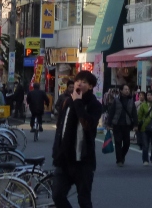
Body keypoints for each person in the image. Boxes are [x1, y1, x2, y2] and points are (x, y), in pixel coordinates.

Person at [52, 70, 102, 208]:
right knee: (57, 195)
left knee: (84, 200)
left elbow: (88, 125)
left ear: (91, 86)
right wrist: (56, 151)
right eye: (77, 81)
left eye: (84, 82)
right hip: (64, 160)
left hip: (83, 160)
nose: (79, 83)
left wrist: (78, 102)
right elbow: (60, 129)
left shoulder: (95, 105)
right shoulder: (67, 102)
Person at [106, 84, 137, 167]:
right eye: (125, 89)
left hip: (127, 125)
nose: (127, 90)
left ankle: (122, 155)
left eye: (128, 89)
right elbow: (111, 112)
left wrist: (135, 124)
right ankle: (119, 160)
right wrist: (109, 124)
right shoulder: (116, 100)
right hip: (117, 124)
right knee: (118, 142)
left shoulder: (131, 101)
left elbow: (134, 113)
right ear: (121, 90)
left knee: (127, 143)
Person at [137, 89, 152, 166]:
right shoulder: (143, 105)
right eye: (148, 95)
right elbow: (139, 116)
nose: (149, 97)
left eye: (151, 95)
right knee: (145, 145)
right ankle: (145, 160)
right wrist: (137, 125)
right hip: (144, 128)